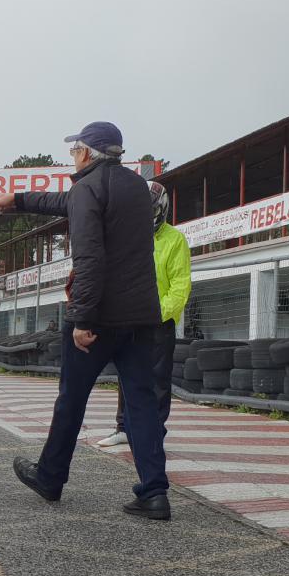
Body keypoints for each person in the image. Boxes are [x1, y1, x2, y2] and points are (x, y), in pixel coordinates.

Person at [0, 121, 172, 520]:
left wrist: (83, 318)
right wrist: (15, 198)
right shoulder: (136, 188)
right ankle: (154, 492)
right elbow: (62, 203)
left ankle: (50, 478)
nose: (72, 157)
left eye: (74, 151)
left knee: (71, 399)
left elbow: (89, 258)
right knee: (141, 403)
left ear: (87, 153)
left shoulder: (87, 189)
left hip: (98, 317)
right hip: (141, 317)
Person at [96, 181, 191, 447]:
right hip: (129, 318)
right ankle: (123, 428)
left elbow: (180, 286)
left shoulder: (175, 240)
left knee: (157, 379)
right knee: (126, 375)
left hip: (159, 321)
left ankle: (153, 432)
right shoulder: (127, 236)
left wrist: (157, 312)